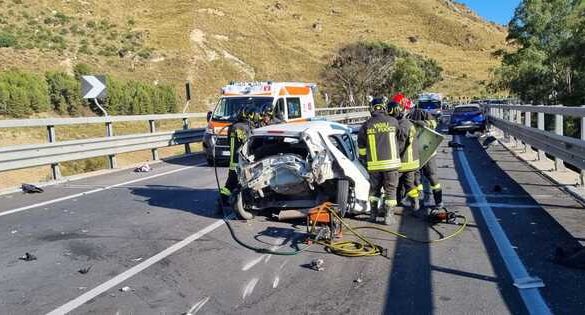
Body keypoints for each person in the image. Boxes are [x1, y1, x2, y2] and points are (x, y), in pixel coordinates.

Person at [358, 97, 402, 225]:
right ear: (384, 108)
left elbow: (361, 147)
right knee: (390, 191)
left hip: (374, 166)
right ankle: (388, 217)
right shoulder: (393, 121)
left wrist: (364, 160)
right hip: (391, 165)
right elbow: (400, 139)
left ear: (371, 109)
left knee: (374, 191)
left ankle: (372, 215)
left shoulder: (366, 125)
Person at [387, 93, 420, 213]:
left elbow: (400, 145)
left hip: (405, 161)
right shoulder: (407, 123)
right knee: (409, 184)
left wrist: (392, 156)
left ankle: (390, 208)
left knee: (393, 184)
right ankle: (415, 203)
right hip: (411, 162)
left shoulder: (403, 125)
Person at [408, 106, 443, 209]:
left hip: (427, 152)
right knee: (416, 180)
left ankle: (438, 201)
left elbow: (434, 123)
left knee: (432, 176)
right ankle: (419, 201)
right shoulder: (404, 117)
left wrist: (424, 124)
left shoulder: (421, 113)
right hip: (414, 153)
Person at [220, 105, 253, 205]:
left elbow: (229, 142)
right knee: (237, 182)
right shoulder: (242, 127)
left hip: (234, 159)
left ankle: (224, 201)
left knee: (231, 183)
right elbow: (248, 141)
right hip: (239, 160)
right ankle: (223, 202)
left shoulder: (233, 126)